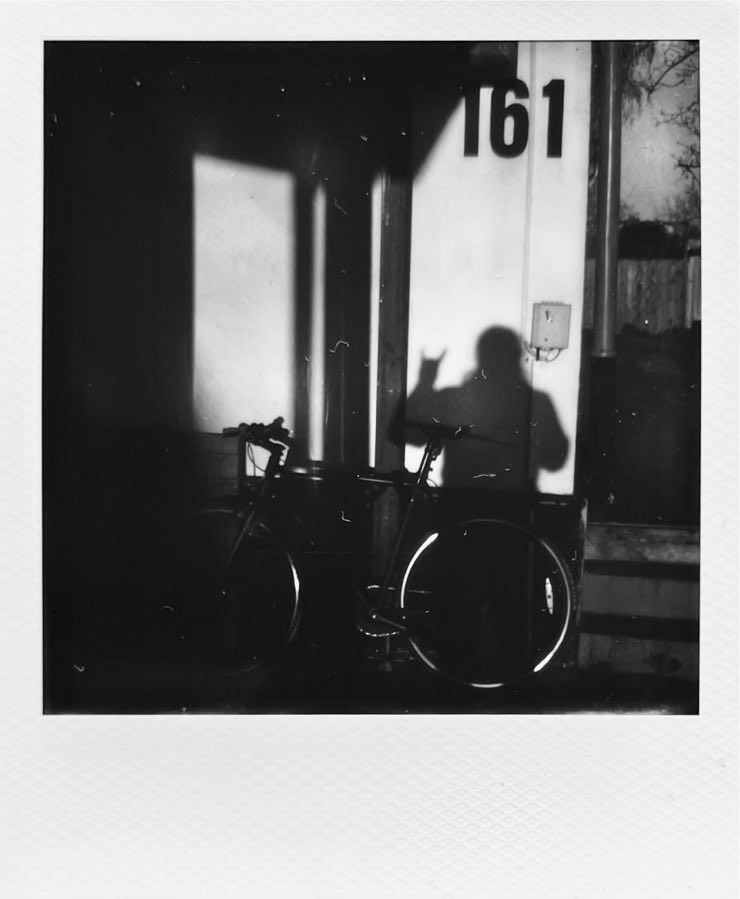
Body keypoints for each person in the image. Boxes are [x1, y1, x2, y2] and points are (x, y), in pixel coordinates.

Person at [403, 326, 569, 491]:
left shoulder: (453, 397)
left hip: (460, 501)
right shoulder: (538, 402)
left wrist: (425, 382)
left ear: (480, 357)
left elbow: (410, 436)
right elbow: (555, 460)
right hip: (514, 502)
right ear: (517, 356)